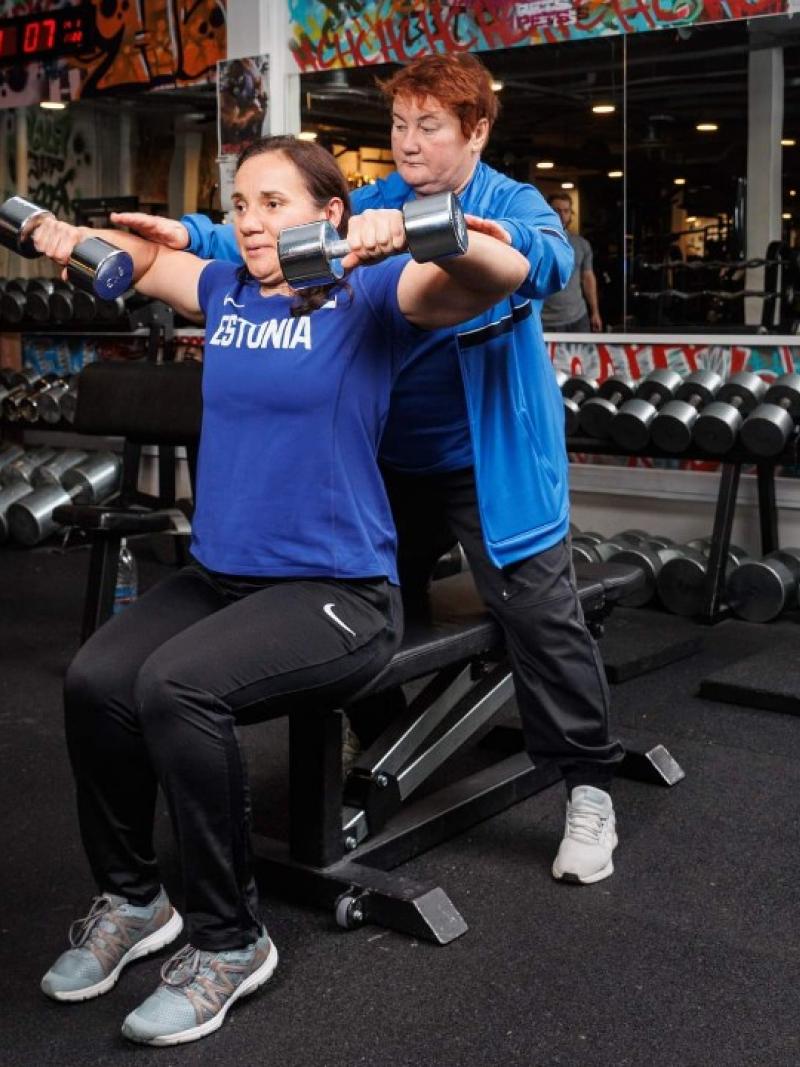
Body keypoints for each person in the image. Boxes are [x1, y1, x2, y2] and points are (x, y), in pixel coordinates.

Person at [35, 135, 528, 1046]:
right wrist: (70, 235)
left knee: (175, 687)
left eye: (275, 203)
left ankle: (230, 940)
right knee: (96, 681)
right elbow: (145, 263)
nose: (253, 222)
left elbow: (499, 272)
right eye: (241, 205)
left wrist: (412, 230)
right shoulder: (225, 292)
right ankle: (137, 899)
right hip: (224, 576)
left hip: (337, 591)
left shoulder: (370, 295)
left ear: (328, 213)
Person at [114, 52, 624, 890]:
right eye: (398, 125)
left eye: (430, 126)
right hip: (389, 460)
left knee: (539, 612)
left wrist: (459, 235)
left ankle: (588, 784)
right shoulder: (380, 197)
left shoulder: (508, 200)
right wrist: (196, 234)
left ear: (478, 130)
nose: (408, 143)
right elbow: (281, 233)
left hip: (481, 458)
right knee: (363, 609)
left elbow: (547, 259)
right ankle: (381, 735)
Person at [541, 192, 603, 332]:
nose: (562, 215)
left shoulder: (581, 244)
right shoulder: (537, 242)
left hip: (578, 317)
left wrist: (595, 312)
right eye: (556, 210)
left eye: (566, 211)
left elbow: (588, 279)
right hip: (545, 320)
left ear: (570, 214)